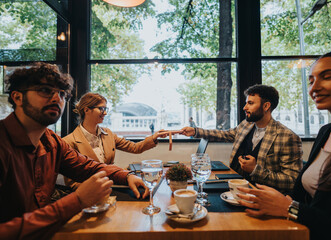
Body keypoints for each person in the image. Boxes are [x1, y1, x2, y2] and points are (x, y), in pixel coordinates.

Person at [0, 62, 149, 240]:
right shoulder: (4, 144)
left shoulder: (51, 141)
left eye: (62, 94)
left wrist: (127, 176)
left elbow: (89, 167)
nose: (57, 98)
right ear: (17, 97)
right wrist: (77, 200)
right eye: (45, 90)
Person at [237, 49, 331, 240]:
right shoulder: (326, 132)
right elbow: (302, 195)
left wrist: (290, 208)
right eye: (311, 81)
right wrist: (276, 201)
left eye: (327, 77)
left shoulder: (288, 135)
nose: (314, 88)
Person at [181, 84, 303, 194]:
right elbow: (226, 134)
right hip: (235, 188)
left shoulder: (287, 137)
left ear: (266, 106)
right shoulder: (247, 124)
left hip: (260, 196)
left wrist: (255, 170)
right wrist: (195, 131)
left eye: (250, 103)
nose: (244, 107)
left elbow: (292, 181)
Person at [63, 92, 167, 190]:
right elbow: (72, 183)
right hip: (90, 195)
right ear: (86, 110)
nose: (105, 113)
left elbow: (135, 148)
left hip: (112, 187)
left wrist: (154, 137)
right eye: (101, 108)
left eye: (105, 108)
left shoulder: (108, 134)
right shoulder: (69, 142)